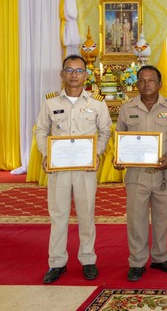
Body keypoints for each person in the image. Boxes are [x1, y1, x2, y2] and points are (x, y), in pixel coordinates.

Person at [35, 55, 112, 284]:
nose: (74, 75)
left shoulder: (96, 103)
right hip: (59, 169)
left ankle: (88, 259)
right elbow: (41, 130)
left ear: (86, 75)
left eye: (79, 71)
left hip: (85, 169)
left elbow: (105, 131)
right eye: (69, 70)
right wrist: (46, 154)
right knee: (58, 215)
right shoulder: (50, 103)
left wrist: (96, 153)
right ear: (62, 74)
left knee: (86, 215)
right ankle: (57, 262)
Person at [114, 65, 167, 282]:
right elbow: (120, 136)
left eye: (151, 80)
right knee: (136, 218)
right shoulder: (127, 108)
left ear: (160, 84)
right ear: (137, 83)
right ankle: (137, 261)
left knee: (162, 218)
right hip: (136, 174)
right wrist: (119, 157)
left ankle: (160, 257)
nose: (146, 84)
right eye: (142, 80)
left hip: (163, 173)